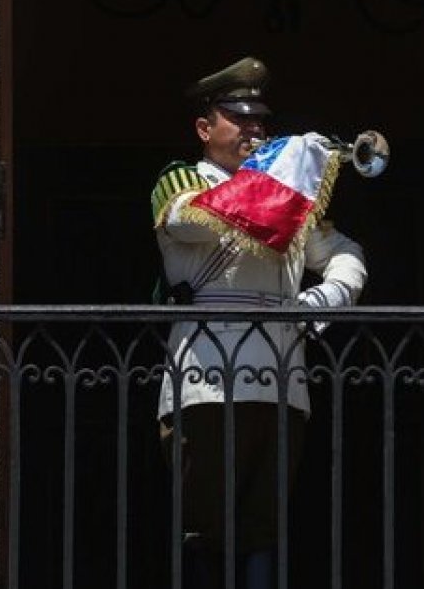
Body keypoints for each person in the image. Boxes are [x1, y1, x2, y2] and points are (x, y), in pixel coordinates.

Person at [150, 56, 367, 589]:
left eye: (260, 123)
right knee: (204, 528)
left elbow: (344, 251)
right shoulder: (181, 179)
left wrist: (324, 301)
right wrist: (287, 167)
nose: (254, 130)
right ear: (205, 128)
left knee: (264, 528)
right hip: (206, 381)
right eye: (238, 118)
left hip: (282, 378)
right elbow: (189, 221)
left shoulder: (286, 194)